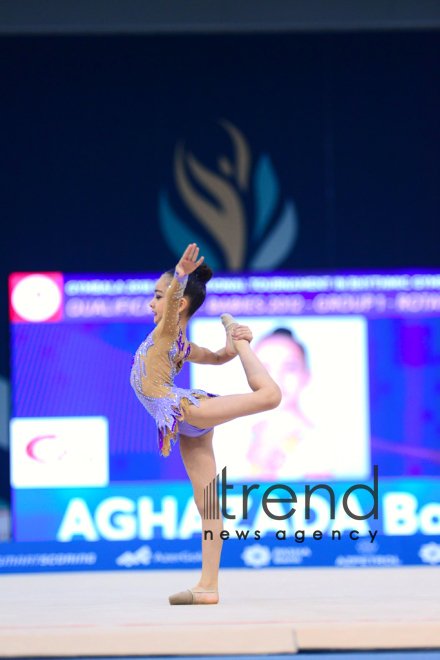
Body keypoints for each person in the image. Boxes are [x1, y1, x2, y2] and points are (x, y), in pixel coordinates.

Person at [130, 243, 281, 605]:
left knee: (269, 396)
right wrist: (231, 345)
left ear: (178, 304)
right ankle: (208, 586)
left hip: (186, 410)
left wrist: (180, 276)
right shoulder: (178, 343)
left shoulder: (169, 333)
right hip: (181, 424)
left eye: (158, 296)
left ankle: (252, 353)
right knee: (208, 507)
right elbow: (216, 357)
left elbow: (179, 311)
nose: (151, 304)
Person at [247, 328, 332, 480]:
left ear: (306, 376)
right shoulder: (244, 436)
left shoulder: (318, 444)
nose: (277, 378)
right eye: (265, 369)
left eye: (289, 368)